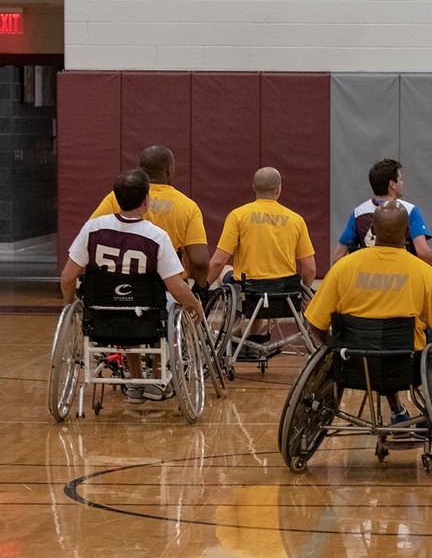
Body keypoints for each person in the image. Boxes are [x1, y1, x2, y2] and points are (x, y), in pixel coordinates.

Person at [306, 201, 432, 428]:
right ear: (407, 233)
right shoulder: (424, 273)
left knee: (377, 341)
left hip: (352, 365)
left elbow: (315, 325)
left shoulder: (342, 268)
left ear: (373, 231)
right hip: (406, 369)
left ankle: (397, 409)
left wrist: (334, 348)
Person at [61, 168, 204, 402]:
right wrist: (195, 305)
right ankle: (156, 379)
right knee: (160, 307)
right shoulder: (157, 237)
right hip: (146, 313)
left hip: (102, 312)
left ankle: (136, 379)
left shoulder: (92, 229)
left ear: (116, 199)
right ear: (146, 200)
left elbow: (68, 277)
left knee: (126, 310)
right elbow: (177, 288)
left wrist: (71, 304)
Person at [91, 145, 210, 287]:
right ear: (169, 170)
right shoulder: (188, 206)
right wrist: (200, 288)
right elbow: (200, 262)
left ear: (140, 171)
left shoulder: (116, 197)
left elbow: (90, 237)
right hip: (167, 288)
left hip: (118, 283)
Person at [332, 158, 432, 282]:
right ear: (392, 184)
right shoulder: (409, 211)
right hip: (402, 280)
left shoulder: (358, 213)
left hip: (367, 282)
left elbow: (337, 257)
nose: (402, 183)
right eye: (400, 179)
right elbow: (423, 252)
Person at [208, 167, 316, 288]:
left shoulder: (238, 216)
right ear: (278, 189)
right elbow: (310, 268)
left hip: (249, 289)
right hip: (285, 290)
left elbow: (218, 261)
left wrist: (202, 288)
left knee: (226, 269)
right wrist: (306, 291)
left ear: (254, 187)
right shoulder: (297, 220)